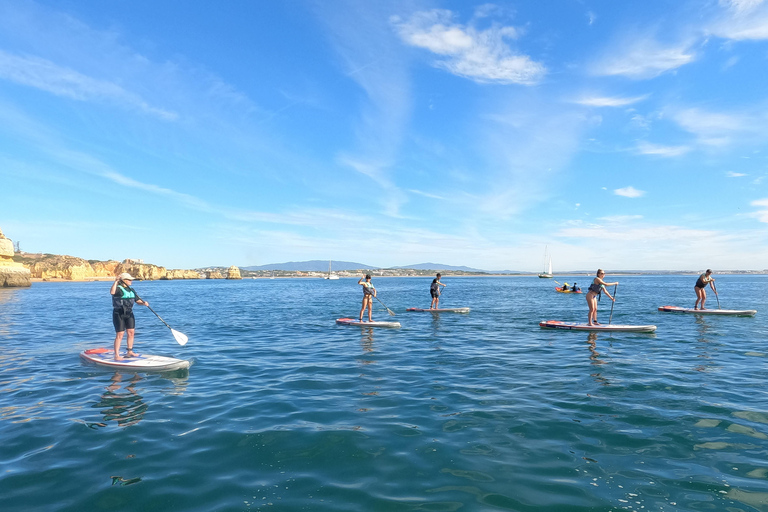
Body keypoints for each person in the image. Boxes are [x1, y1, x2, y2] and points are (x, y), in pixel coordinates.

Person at [110, 272, 149, 360]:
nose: (131, 281)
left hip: (129, 314)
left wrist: (143, 303)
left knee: (131, 333)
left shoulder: (132, 290)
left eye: (131, 280)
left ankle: (130, 351)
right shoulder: (118, 289)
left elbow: (137, 301)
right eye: (129, 280)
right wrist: (116, 281)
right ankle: (116, 355)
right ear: (123, 281)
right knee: (120, 334)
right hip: (119, 314)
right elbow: (112, 292)